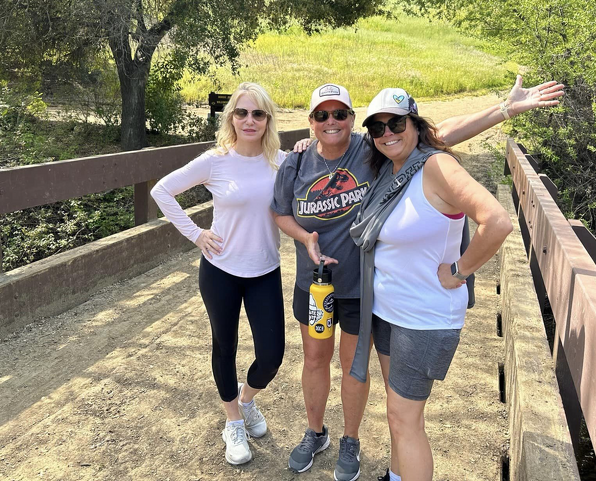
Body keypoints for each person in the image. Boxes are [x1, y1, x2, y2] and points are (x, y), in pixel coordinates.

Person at [271, 77, 564, 480]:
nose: (331, 121)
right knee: (352, 384)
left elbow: (447, 138)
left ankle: (352, 442)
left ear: (353, 119)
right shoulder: (326, 160)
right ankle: (329, 439)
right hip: (351, 295)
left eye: (340, 114)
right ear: (311, 121)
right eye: (322, 115)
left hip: (383, 298)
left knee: (377, 389)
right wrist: (305, 236)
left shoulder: (386, 154)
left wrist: (504, 109)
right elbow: (280, 211)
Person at [349, 88, 515, 481]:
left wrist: (460, 270)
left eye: (396, 123)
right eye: (376, 127)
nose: (386, 133)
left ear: (416, 126)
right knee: (398, 411)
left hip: (423, 318)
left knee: (404, 419)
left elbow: (497, 222)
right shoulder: (390, 169)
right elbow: (449, 128)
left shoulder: (436, 167)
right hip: (388, 311)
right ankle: (395, 475)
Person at [151, 82, 287, 466]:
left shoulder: (281, 160)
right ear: (231, 117)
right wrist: (196, 234)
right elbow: (162, 191)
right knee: (224, 347)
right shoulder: (215, 160)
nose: (249, 120)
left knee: (272, 355)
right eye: (241, 113)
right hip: (221, 270)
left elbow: (313, 178)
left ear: (267, 120)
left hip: (265, 270)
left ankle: (246, 401)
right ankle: (233, 422)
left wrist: (308, 148)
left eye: (258, 114)